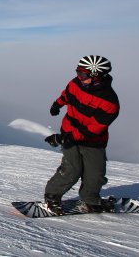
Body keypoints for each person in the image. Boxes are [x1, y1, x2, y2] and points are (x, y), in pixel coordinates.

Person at [44, 55, 120, 214]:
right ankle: (52, 196)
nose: (79, 77)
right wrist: (57, 105)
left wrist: (64, 138)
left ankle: (90, 200)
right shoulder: (75, 84)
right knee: (72, 168)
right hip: (69, 131)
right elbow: (67, 94)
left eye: (83, 74)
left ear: (96, 76)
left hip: (93, 140)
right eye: (78, 72)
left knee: (95, 173)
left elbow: (93, 129)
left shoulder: (109, 102)